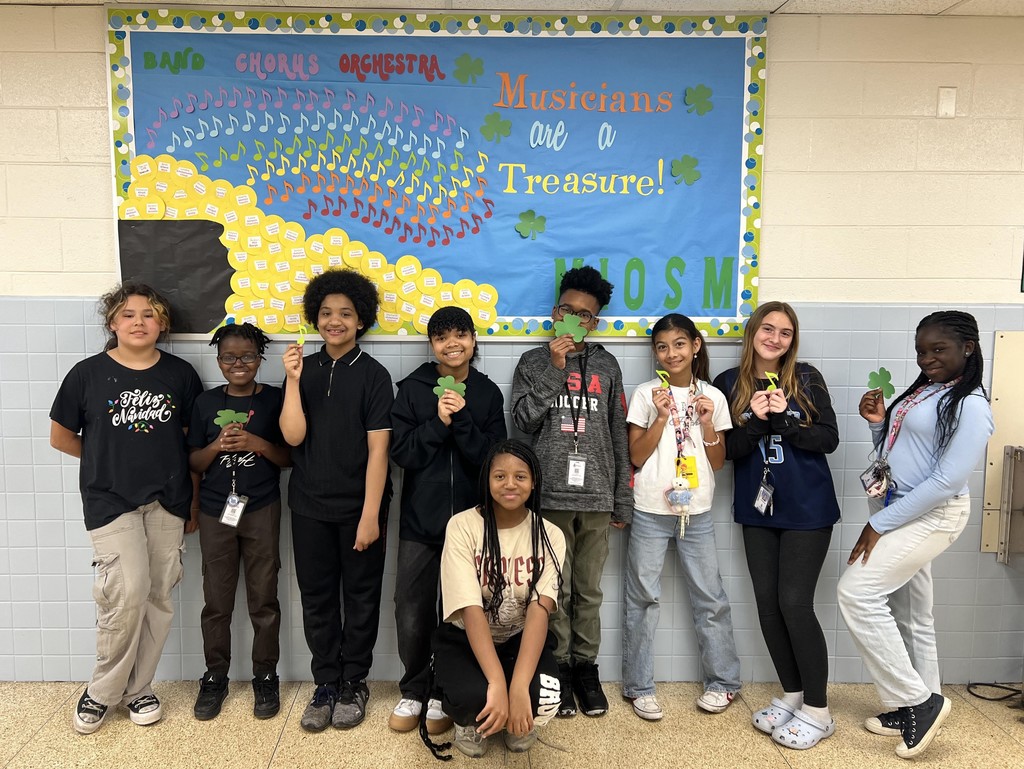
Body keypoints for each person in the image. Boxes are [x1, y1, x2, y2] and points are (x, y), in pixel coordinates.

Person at [49, 281, 203, 734]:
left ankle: (140, 690)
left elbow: (191, 442)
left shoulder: (180, 374)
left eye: (149, 315)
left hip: (168, 501)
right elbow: (61, 437)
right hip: (110, 500)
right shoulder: (87, 373)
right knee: (126, 592)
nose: (139, 322)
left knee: (158, 596)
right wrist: (106, 459)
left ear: (163, 324)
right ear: (113, 322)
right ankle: (101, 692)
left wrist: (191, 498)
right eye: (129, 314)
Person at [839, 310, 993, 760]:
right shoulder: (930, 390)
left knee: (858, 594)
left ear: (968, 348)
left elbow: (945, 482)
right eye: (921, 350)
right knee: (913, 616)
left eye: (937, 349)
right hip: (897, 505)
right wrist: (876, 423)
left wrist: (877, 524)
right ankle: (913, 707)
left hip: (931, 515)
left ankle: (921, 702)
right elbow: (907, 451)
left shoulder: (972, 405)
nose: (926, 358)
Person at [713, 301, 840, 750]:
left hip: (807, 510)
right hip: (758, 510)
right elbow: (726, 450)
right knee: (768, 604)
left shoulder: (805, 377)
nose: (775, 338)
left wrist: (785, 420)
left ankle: (819, 711)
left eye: (785, 333)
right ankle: (792, 694)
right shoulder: (728, 384)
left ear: (793, 340)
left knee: (795, 604)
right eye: (768, 329)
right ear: (752, 333)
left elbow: (828, 438)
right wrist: (752, 418)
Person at [510, 265, 632, 718]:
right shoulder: (532, 362)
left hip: (598, 496)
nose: (574, 320)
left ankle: (585, 667)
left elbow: (618, 433)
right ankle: (556, 667)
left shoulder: (607, 364)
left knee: (589, 590)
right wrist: (555, 370)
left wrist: (622, 497)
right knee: (552, 591)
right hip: (550, 496)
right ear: (554, 310)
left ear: (594, 323)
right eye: (567, 309)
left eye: (585, 315)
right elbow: (522, 422)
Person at [280, 269, 394, 732]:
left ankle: (355, 682)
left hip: (359, 509)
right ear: (315, 317)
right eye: (326, 313)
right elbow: (292, 436)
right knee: (317, 598)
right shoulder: (302, 367)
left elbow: (379, 451)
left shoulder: (374, 375)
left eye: (346, 313)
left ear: (361, 319)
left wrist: (370, 515)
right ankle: (326, 682)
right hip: (308, 506)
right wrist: (290, 380)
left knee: (362, 597)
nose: (335, 321)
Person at [388, 306, 507, 734]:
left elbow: (493, 461)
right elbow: (402, 454)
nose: (452, 343)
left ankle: (445, 691)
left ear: (474, 340)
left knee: (462, 611)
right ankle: (414, 688)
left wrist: (462, 421)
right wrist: (437, 422)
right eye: (442, 337)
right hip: (420, 523)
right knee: (412, 607)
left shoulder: (489, 394)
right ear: (432, 344)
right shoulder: (413, 390)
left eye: (461, 334)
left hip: (474, 526)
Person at [622, 314, 740, 721]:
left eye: (678, 344)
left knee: (711, 598)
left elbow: (719, 462)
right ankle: (639, 686)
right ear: (655, 352)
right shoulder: (645, 393)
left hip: (697, 511)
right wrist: (660, 417)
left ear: (695, 346)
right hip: (651, 511)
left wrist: (707, 423)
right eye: (662, 346)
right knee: (643, 599)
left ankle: (723, 682)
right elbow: (636, 456)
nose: (671, 353)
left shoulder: (713, 396)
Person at [430, 440, 565, 758]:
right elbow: (471, 609)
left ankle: (519, 716)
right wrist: (495, 682)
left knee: (544, 694)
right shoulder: (462, 526)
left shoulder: (550, 534)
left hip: (519, 638)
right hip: (466, 640)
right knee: (471, 696)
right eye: (500, 476)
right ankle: (471, 719)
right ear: (486, 481)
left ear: (533, 484)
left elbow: (538, 611)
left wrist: (518, 688)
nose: (510, 484)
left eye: (520, 476)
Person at [187, 322, 290, 721]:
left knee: (264, 598)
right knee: (217, 600)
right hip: (216, 512)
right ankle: (215, 676)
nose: (239, 363)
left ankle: (266, 675)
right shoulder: (204, 403)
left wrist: (257, 444)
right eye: (229, 357)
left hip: (262, 508)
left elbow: (290, 458)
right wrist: (216, 445)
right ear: (218, 361)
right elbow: (193, 461)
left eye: (247, 356)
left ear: (260, 359)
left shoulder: (276, 400)